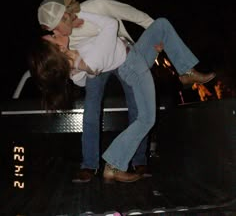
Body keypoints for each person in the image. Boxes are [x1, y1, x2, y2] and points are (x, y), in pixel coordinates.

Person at [29, 9, 216, 183]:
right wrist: (77, 14)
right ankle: (113, 164)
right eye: (54, 36)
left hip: (133, 54)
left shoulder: (78, 53)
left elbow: (82, 77)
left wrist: (77, 63)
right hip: (131, 66)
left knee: (161, 25)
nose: (57, 32)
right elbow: (110, 25)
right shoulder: (88, 58)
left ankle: (185, 72)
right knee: (146, 118)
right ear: (59, 50)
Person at [37, 0, 157, 182]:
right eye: (52, 32)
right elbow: (77, 72)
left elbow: (133, 15)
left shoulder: (97, 7)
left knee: (137, 106)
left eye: (56, 28)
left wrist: (155, 32)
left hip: (121, 53)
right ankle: (89, 165)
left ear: (65, 16)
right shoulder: (61, 43)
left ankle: (139, 160)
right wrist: (76, 71)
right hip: (95, 62)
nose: (56, 34)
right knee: (91, 109)